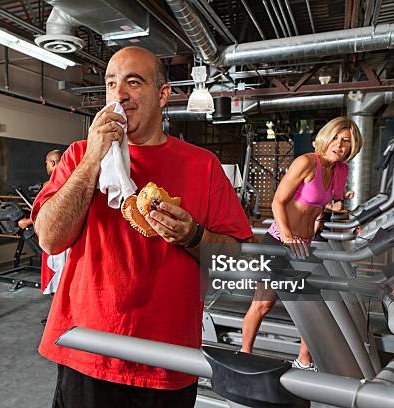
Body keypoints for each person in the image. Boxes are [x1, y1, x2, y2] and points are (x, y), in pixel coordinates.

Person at [31, 46, 252, 407]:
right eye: (111, 84)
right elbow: (50, 240)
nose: (119, 94)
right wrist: (92, 160)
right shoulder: (78, 156)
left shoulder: (203, 166)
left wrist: (192, 235)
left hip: (167, 362)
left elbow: (234, 260)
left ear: (163, 95)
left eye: (133, 82)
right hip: (89, 350)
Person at [241, 117, 362, 370]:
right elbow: (278, 202)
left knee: (313, 307)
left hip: (305, 244)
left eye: (346, 142)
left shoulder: (340, 170)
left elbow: (330, 203)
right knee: (263, 304)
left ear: (352, 147)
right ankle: (245, 354)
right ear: (326, 137)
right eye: (336, 138)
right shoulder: (306, 162)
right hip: (278, 240)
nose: (339, 145)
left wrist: (353, 219)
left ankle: (304, 360)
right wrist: (286, 236)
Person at [17, 149, 62, 231]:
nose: (46, 166)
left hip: (56, 230)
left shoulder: (55, 184)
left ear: (52, 163)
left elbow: (52, 211)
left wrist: (27, 222)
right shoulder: (67, 179)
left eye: (46, 163)